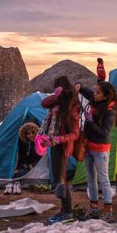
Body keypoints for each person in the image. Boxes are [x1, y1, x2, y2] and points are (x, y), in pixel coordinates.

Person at [39, 76, 81, 223]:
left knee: (61, 180)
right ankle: (64, 210)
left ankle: (67, 212)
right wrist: (56, 95)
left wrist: (58, 139)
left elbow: (75, 134)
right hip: (53, 144)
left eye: (56, 87)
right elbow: (44, 103)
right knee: (58, 178)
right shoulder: (57, 101)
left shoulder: (72, 106)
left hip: (62, 146)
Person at [77, 80, 117, 220]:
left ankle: (108, 211)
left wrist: (90, 121)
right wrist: (80, 86)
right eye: (95, 91)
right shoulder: (95, 101)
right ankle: (94, 210)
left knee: (104, 179)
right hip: (88, 147)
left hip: (100, 150)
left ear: (105, 96)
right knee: (91, 179)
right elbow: (87, 92)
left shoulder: (110, 111)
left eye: (98, 92)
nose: (94, 94)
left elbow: (103, 133)